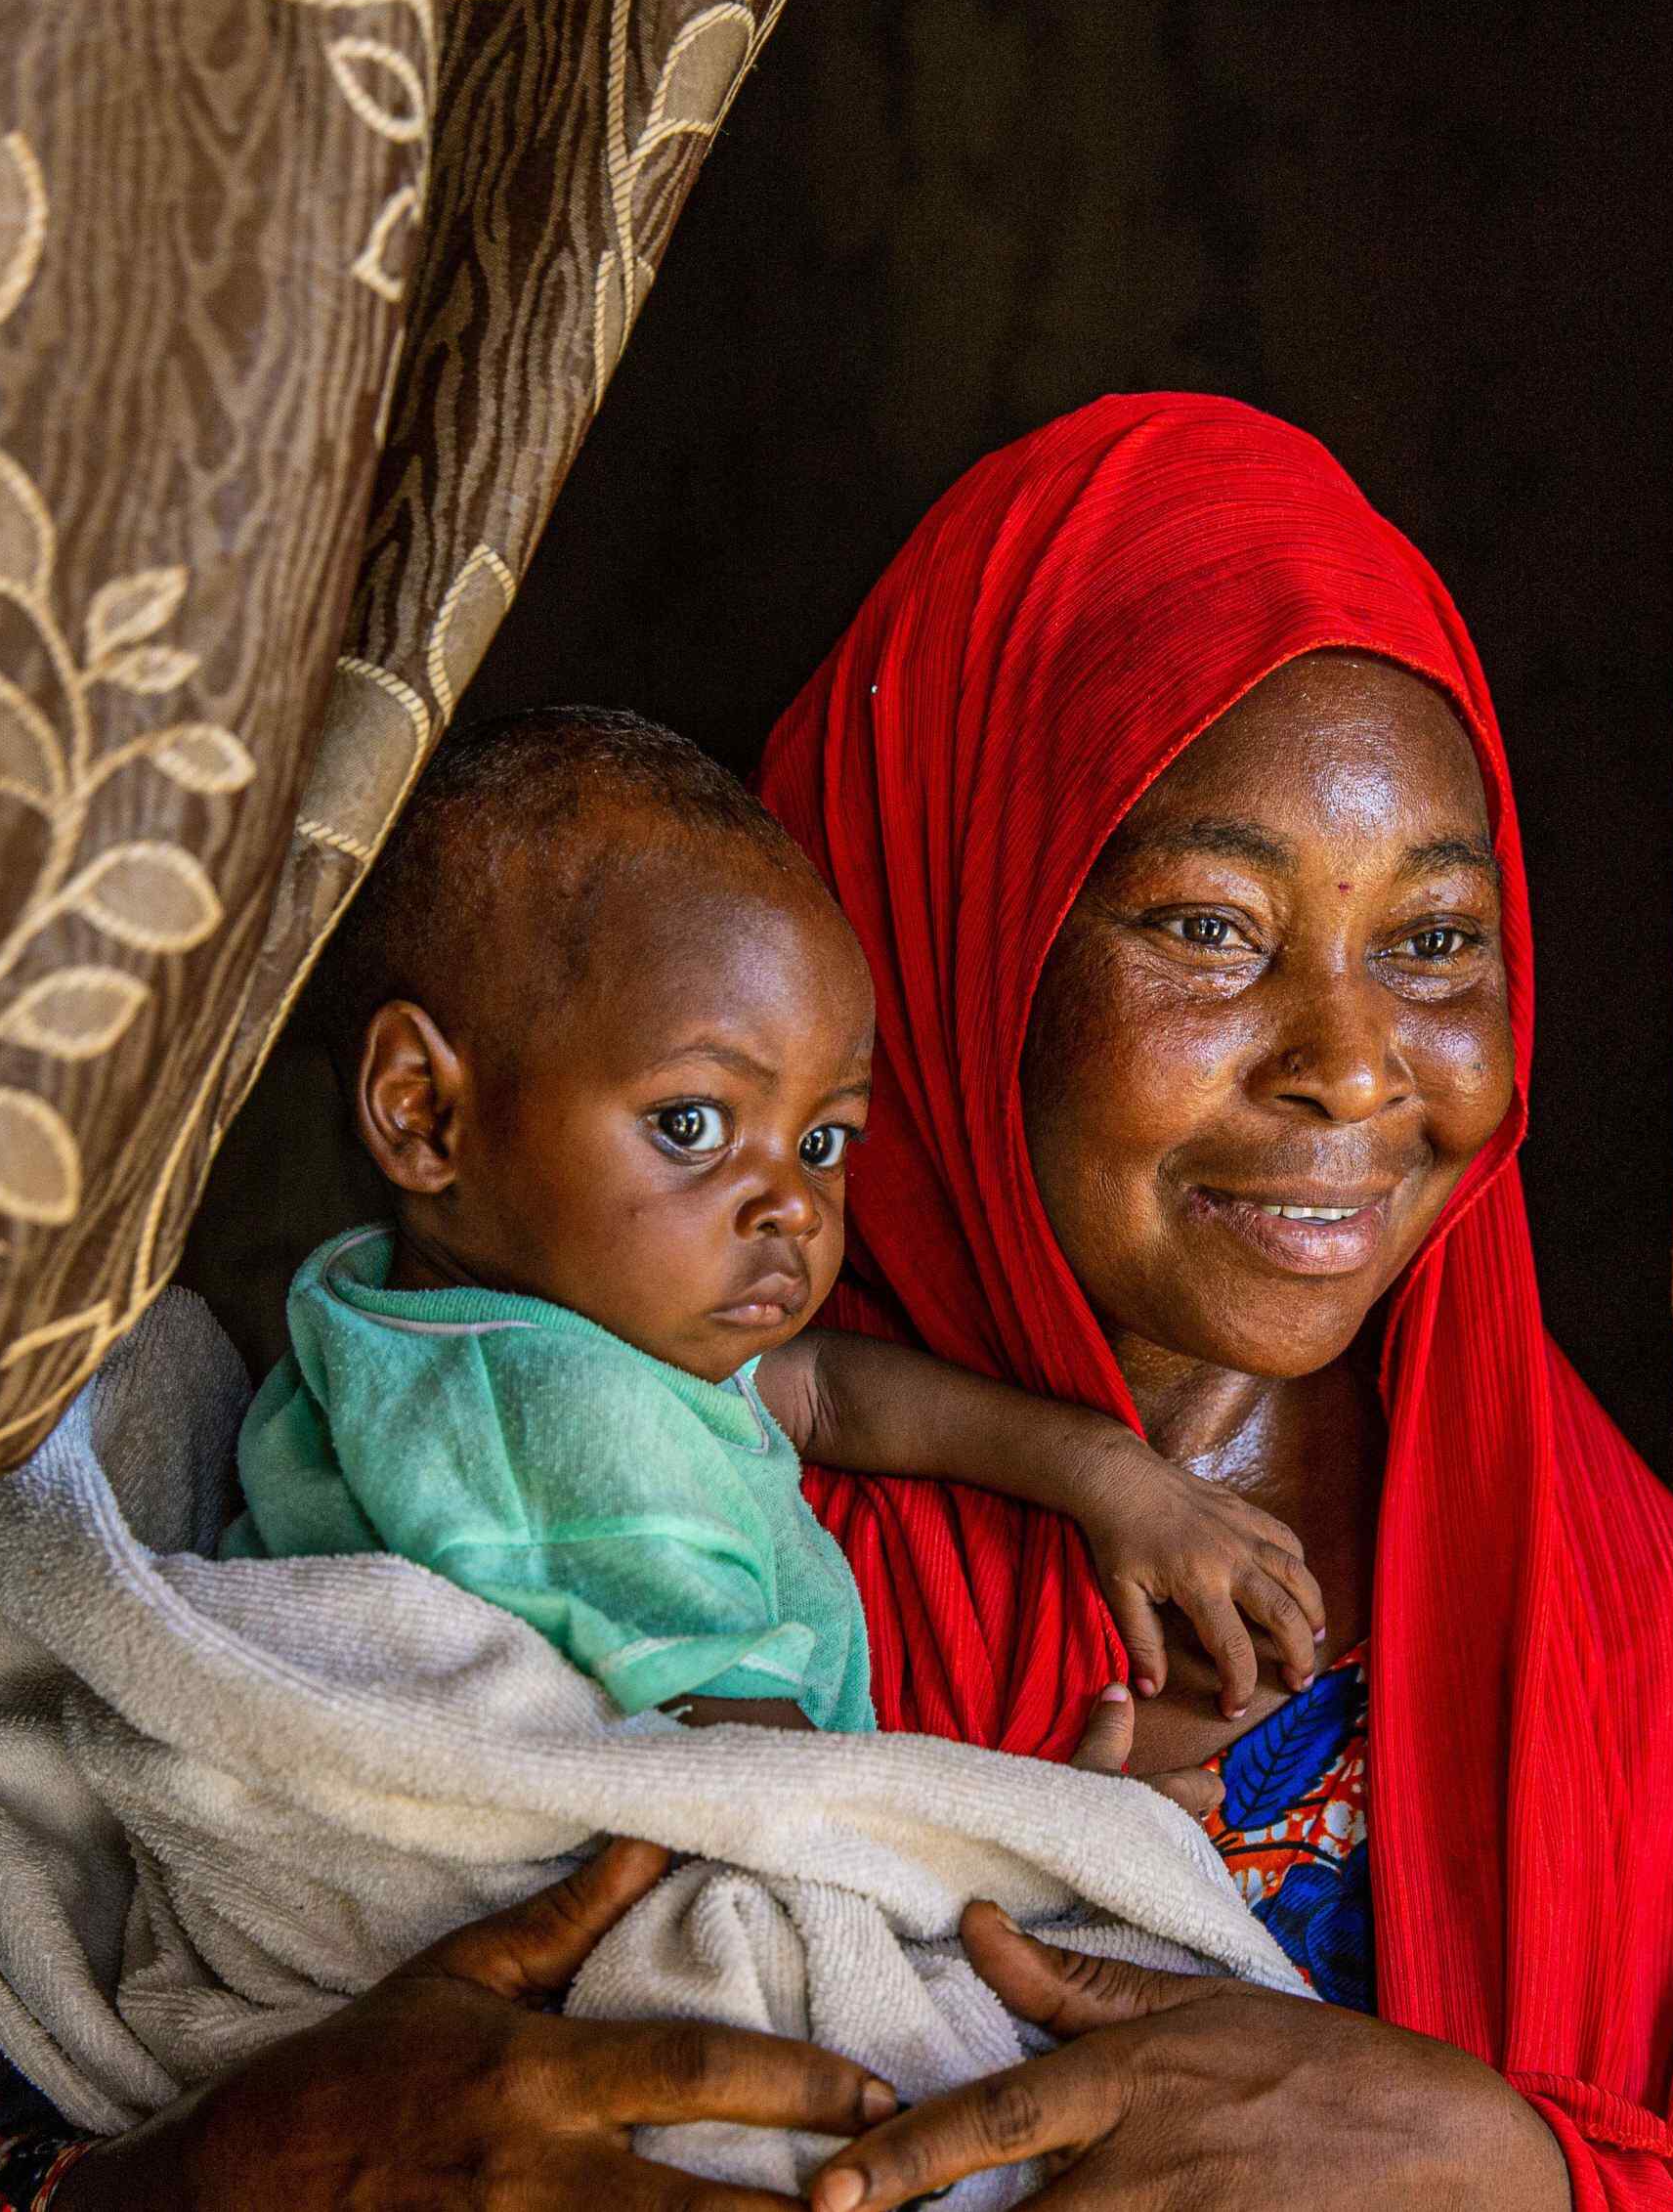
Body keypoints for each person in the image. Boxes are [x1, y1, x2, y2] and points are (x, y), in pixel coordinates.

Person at [0, 394, 1673, 2210]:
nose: (1352, 1067)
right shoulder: (624, 1465)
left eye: (1435, 940)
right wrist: (224, 2181)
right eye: (1208, 926)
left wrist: (1500, 2169)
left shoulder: (1603, 1629)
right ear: (965, 928)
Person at [221, 704, 1322, 1733]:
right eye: (691, 1124)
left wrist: (1111, 1479)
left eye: (823, 1141)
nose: (794, 1204)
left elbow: (827, 1392)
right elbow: (752, 1795)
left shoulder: (447, 1316)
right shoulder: (559, 1430)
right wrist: (1029, 1833)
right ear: (423, 1110)